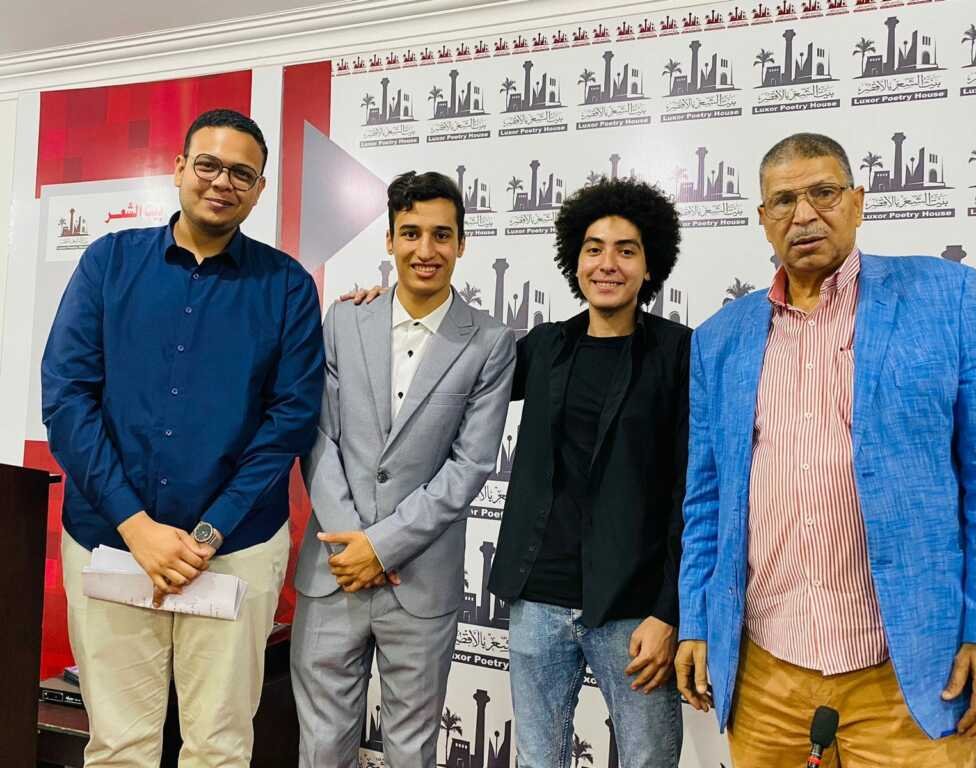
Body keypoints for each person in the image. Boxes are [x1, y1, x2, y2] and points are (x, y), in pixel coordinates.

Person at [675, 132, 976, 767]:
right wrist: (697, 621)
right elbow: (706, 500)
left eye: (824, 193)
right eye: (784, 201)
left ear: (858, 203)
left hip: (911, 672)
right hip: (764, 675)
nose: (804, 214)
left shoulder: (943, 296)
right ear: (763, 219)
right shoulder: (719, 339)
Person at [42, 108, 324, 766]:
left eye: (242, 174)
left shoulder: (286, 286)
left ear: (259, 190)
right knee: (119, 746)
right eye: (209, 165)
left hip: (234, 549)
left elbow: (289, 418)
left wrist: (208, 534)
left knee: (219, 748)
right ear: (179, 168)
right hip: (111, 540)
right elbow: (67, 397)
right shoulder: (109, 262)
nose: (222, 182)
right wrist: (136, 525)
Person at [291, 170, 516, 768]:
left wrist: (382, 547)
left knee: (412, 750)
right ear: (389, 239)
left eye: (441, 235)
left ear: (462, 243)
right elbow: (318, 436)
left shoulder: (490, 342)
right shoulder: (343, 320)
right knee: (320, 746)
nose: (425, 249)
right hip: (333, 571)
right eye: (410, 233)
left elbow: (469, 465)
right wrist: (353, 545)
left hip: (419, 581)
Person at [485, 178, 690, 768]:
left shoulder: (679, 353)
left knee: (649, 759)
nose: (608, 264)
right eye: (594, 248)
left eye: (626, 250)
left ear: (649, 265)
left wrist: (668, 611)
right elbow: (454, 365)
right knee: (537, 760)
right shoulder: (544, 347)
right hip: (537, 597)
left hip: (633, 607)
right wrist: (393, 303)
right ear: (574, 260)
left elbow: (692, 491)